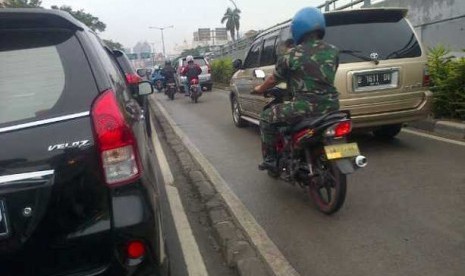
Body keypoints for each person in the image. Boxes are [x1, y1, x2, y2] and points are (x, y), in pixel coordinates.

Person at [253, 7, 340, 169]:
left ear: (298, 29)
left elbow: (273, 79)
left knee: (265, 117)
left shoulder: (291, 55)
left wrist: (259, 88)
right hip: (332, 107)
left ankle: (271, 159)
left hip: (303, 108)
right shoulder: (334, 51)